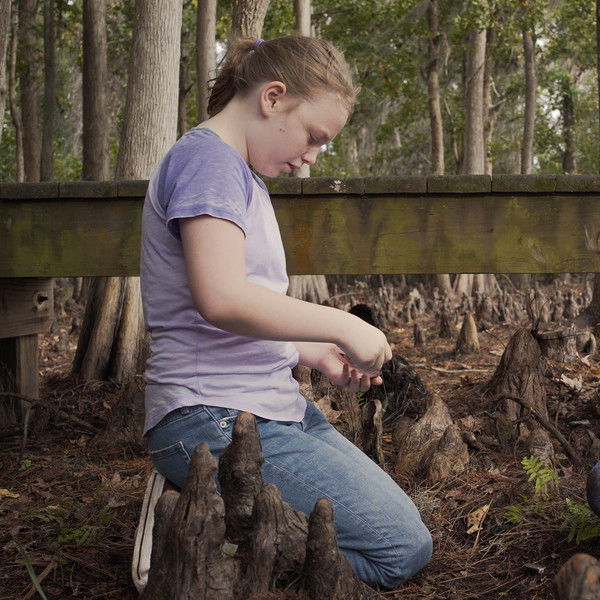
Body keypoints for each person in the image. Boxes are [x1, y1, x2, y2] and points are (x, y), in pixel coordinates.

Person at [139, 35, 432, 590]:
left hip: (267, 408)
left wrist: (311, 352)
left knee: (402, 535)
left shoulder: (236, 170)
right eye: (314, 136)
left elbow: (225, 311)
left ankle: (216, 518)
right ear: (273, 98)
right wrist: (345, 325)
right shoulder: (208, 162)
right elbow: (221, 298)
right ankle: (200, 540)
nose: (311, 158)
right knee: (398, 550)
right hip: (209, 416)